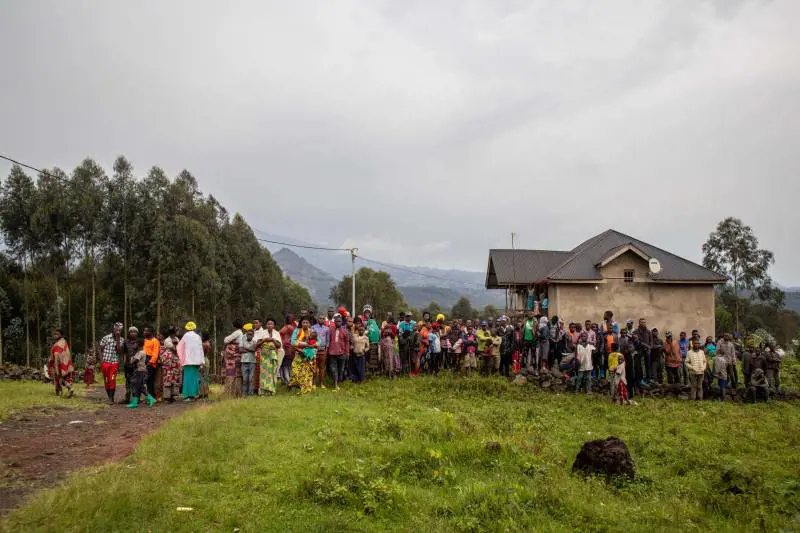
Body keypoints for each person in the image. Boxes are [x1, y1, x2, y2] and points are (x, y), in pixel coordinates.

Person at [177, 321, 204, 402]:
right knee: (194, 378)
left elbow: (179, 347)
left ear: (186, 328)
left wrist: (181, 358)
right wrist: (201, 361)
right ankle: (195, 394)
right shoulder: (198, 337)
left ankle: (189, 396)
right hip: (196, 361)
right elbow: (200, 349)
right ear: (194, 328)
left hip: (188, 361)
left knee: (188, 378)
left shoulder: (185, 336)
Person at [98, 322, 123, 404]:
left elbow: (119, 351)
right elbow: (100, 349)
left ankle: (111, 398)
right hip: (105, 362)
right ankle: (109, 397)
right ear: (114, 329)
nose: (117, 331)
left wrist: (118, 339)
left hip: (114, 363)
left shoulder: (121, 339)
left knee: (112, 379)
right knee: (106, 380)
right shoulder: (106, 338)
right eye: (116, 329)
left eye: (119, 330)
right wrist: (101, 361)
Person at [289, 318, 315, 395]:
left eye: (307, 322)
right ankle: (293, 384)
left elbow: (317, 342)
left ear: (309, 324)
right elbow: (293, 342)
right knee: (295, 372)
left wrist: (311, 348)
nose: (305, 324)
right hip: (298, 354)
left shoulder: (312, 331)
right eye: (304, 322)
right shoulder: (297, 330)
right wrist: (303, 345)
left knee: (307, 373)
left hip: (309, 355)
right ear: (301, 323)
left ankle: (305, 391)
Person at [127, 339, 156, 408]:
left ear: (138, 345)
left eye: (135, 344)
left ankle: (150, 398)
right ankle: (135, 402)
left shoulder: (141, 353)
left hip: (140, 372)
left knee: (139, 386)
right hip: (139, 371)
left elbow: (133, 361)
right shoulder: (139, 352)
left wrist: (130, 358)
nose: (133, 345)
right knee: (137, 386)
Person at [257, 318, 283, 396]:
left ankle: (271, 391)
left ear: (274, 326)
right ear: (266, 325)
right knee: (264, 373)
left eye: (271, 324)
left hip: (273, 355)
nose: (270, 325)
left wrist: (273, 340)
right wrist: (265, 340)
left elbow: (279, 345)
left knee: (272, 373)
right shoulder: (262, 333)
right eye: (268, 324)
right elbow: (258, 344)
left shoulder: (276, 333)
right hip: (264, 356)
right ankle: (263, 392)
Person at [48, 328, 74, 398]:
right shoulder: (64, 342)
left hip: (59, 365)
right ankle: (64, 390)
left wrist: (56, 367)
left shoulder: (58, 344)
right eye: (54, 334)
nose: (55, 335)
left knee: (59, 378)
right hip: (65, 364)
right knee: (62, 379)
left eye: (57, 334)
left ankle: (65, 390)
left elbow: (56, 356)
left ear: (61, 335)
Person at [327, 315, 350, 391]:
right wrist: (327, 351)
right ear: (334, 322)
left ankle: (338, 382)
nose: (338, 322)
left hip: (342, 353)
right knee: (333, 369)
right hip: (332, 353)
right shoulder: (330, 330)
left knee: (341, 370)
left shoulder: (345, 331)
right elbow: (328, 341)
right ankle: (335, 384)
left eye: (339, 321)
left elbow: (347, 343)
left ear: (342, 322)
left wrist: (347, 353)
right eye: (336, 321)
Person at [159, 330, 182, 403]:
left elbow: (178, 350)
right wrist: (175, 344)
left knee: (174, 378)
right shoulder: (167, 340)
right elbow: (175, 349)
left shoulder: (177, 339)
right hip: (168, 361)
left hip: (175, 361)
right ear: (174, 332)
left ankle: (172, 396)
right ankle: (166, 397)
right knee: (167, 378)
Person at [312, 315, 330, 388]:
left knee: (322, 368)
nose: (321, 320)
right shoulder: (313, 327)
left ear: (324, 320)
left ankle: (322, 383)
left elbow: (328, 340)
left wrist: (326, 350)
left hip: (323, 350)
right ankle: (314, 383)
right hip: (315, 350)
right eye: (320, 318)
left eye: (323, 318)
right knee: (314, 367)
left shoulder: (327, 329)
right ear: (317, 319)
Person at [238, 324, 257, 396]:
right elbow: (240, 350)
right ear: (246, 334)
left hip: (252, 362)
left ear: (253, 335)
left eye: (251, 334)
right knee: (245, 379)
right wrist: (250, 350)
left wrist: (246, 349)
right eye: (248, 334)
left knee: (251, 379)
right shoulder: (243, 339)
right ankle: (244, 394)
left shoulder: (255, 342)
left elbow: (254, 349)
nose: (249, 335)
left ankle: (250, 394)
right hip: (243, 362)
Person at [122, 326, 140, 404]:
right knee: (128, 381)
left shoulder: (139, 342)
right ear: (129, 333)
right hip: (127, 365)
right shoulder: (125, 342)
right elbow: (121, 351)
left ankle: (136, 398)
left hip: (136, 365)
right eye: (131, 332)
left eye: (135, 332)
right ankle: (127, 398)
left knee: (136, 382)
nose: (133, 333)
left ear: (137, 333)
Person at [362, 305, 381, 376]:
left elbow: (377, 330)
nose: (367, 314)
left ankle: (374, 372)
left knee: (374, 357)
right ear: (364, 313)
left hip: (375, 342)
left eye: (368, 312)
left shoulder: (374, 321)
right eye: (366, 312)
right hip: (367, 343)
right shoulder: (363, 322)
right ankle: (367, 371)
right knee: (368, 357)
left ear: (371, 313)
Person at [143, 327, 161, 399]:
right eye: (144, 331)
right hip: (144, 360)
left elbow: (155, 353)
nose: (144, 332)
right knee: (147, 382)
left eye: (146, 331)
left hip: (151, 362)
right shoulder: (145, 340)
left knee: (150, 380)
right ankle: (150, 397)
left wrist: (150, 362)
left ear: (151, 332)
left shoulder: (155, 341)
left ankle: (153, 397)